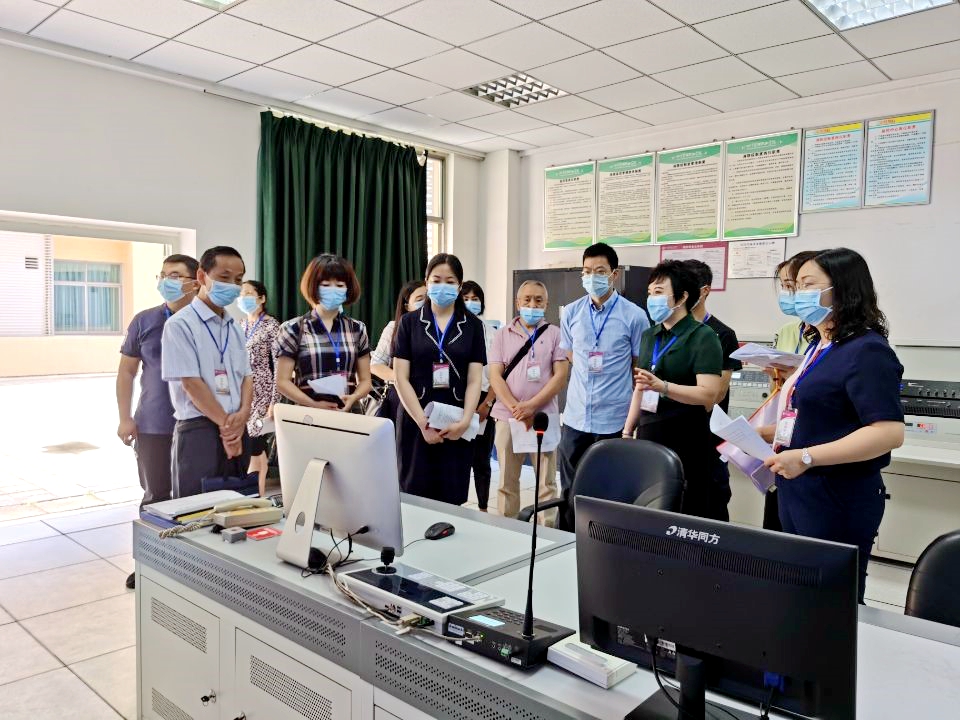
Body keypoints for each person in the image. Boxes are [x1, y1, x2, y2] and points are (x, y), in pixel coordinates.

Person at [761, 248, 904, 603]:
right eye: (795, 286)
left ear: (842, 289)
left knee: (832, 602)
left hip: (836, 495)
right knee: (799, 595)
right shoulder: (820, 344)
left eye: (808, 285)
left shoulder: (866, 350)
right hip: (799, 489)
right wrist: (766, 435)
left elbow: (888, 432)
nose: (798, 295)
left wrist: (805, 456)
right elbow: (819, 415)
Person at [117, 253, 198, 588]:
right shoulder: (145, 321)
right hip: (153, 423)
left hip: (197, 424)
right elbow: (126, 372)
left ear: (196, 282)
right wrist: (125, 417)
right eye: (163, 275)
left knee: (194, 498)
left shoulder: (207, 322)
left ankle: (190, 565)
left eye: (175, 275)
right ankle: (149, 564)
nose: (167, 281)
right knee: (155, 496)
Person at [623, 260, 724, 520]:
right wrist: (627, 431)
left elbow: (708, 395)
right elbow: (641, 387)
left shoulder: (703, 336)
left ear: (682, 297)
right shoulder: (650, 335)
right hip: (649, 430)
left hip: (686, 435)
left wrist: (664, 387)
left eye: (659, 292)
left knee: (683, 509)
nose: (651, 299)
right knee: (648, 507)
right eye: (649, 293)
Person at [393, 254, 486, 505]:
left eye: (450, 281)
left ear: (459, 285)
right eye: (436, 280)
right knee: (413, 496)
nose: (442, 286)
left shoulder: (473, 325)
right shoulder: (409, 323)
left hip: (455, 422)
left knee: (451, 498)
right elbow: (400, 377)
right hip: (416, 420)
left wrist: (465, 422)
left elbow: (475, 379)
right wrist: (423, 423)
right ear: (426, 282)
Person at [161, 246, 252, 498]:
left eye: (238, 280)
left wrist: (243, 414)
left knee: (237, 507)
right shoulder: (179, 324)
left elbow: (246, 377)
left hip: (237, 427)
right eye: (224, 277)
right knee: (197, 511)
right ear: (202, 276)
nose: (232, 286)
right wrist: (226, 426)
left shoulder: (234, 327)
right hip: (199, 432)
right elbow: (191, 383)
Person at [558, 242, 649, 492]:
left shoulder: (635, 316)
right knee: (570, 489)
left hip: (613, 418)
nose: (592, 277)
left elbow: (637, 367)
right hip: (576, 417)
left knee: (610, 489)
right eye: (587, 271)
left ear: (614, 274)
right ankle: (568, 521)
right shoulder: (571, 312)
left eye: (599, 271)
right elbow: (570, 353)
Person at [488, 280, 568, 522]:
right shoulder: (502, 335)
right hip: (507, 417)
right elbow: (495, 376)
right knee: (506, 481)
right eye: (527, 299)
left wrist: (531, 407)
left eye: (538, 300)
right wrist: (516, 407)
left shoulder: (556, 334)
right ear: (517, 303)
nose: (532, 304)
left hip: (543, 417)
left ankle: (546, 532)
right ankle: (508, 530)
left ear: (546, 304)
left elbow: (560, 376)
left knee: (546, 483)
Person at [761, 249, 818, 530]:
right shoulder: (788, 331)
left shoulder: (857, 345)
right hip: (785, 435)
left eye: (797, 286)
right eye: (785, 286)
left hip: (814, 452)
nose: (791, 293)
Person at [274, 255, 372, 414]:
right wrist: (313, 404)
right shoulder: (293, 328)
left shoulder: (357, 329)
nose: (333, 289)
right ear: (313, 287)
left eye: (340, 285)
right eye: (325, 285)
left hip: (348, 415)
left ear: (348, 289)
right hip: (308, 416)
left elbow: (366, 381)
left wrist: (354, 397)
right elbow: (282, 382)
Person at [684, 259, 741, 521]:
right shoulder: (666, 331)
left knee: (710, 505)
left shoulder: (722, 334)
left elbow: (715, 395)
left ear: (705, 291)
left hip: (707, 435)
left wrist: (667, 390)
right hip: (674, 431)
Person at [238, 280, 281, 497]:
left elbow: (279, 366)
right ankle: (254, 494)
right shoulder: (239, 325)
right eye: (241, 293)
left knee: (256, 443)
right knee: (249, 444)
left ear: (261, 298)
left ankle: (257, 495)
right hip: (241, 392)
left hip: (262, 392)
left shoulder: (271, 326)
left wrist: (274, 401)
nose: (243, 297)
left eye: (248, 293)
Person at [462, 280, 496, 512]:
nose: (470, 303)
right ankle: (456, 505)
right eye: (465, 299)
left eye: (475, 299)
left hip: (484, 401)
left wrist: (487, 403)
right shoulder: (450, 330)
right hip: (457, 400)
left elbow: (498, 374)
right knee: (457, 460)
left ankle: (483, 507)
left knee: (481, 460)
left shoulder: (491, 333)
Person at [371, 281, 427, 423]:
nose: (425, 302)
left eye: (428, 297)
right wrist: (403, 379)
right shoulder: (394, 327)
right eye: (419, 299)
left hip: (432, 396)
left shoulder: (441, 328)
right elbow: (376, 365)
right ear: (407, 306)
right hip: (400, 396)